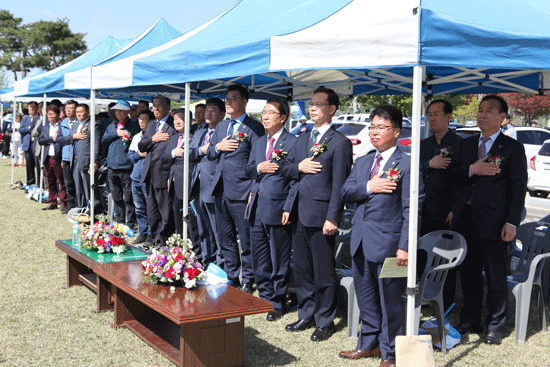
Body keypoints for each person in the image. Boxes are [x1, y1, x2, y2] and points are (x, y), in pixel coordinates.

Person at [339, 106, 423, 367]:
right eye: (372, 127)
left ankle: (390, 353)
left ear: (397, 132)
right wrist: (369, 186)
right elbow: (346, 192)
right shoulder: (364, 161)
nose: (375, 132)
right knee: (366, 298)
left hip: (389, 243)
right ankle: (368, 344)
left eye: (381, 127)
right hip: (361, 240)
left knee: (390, 303)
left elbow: (413, 209)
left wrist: (405, 246)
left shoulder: (408, 164)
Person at [448, 95, 527, 345]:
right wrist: (473, 169)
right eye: (480, 110)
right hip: (466, 219)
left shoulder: (512, 148)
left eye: (489, 111)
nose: (482, 114)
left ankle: (495, 325)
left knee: (495, 275)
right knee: (469, 273)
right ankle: (471, 319)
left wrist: (512, 222)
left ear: (503, 119)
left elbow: (517, 188)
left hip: (495, 221)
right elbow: (454, 177)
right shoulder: (467, 144)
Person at [281, 87, 353, 342]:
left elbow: (340, 185)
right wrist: (289, 205)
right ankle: (306, 312)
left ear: (332, 109)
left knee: (323, 271)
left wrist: (333, 217)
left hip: (322, 214)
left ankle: (325, 319)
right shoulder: (302, 137)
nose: (312, 108)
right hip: (300, 212)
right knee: (301, 269)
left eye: (318, 104)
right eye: (310, 104)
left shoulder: (340, 142)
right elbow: (287, 169)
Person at [206, 84, 265, 293]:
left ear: (244, 101)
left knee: (246, 239)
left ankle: (249, 278)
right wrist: (218, 147)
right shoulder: (221, 126)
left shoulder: (254, 127)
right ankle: (232, 276)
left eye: (233, 99)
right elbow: (211, 153)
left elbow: (256, 161)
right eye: (227, 99)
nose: (228, 103)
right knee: (225, 237)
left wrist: (252, 191)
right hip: (220, 189)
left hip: (241, 190)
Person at [245, 99, 297, 321]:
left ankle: (277, 301)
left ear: (283, 117)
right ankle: (264, 295)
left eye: (270, 113)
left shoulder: (293, 142)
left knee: (279, 257)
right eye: (263, 112)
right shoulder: (258, 141)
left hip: (278, 207)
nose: (265, 117)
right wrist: (259, 167)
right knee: (260, 256)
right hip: (256, 205)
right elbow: (248, 169)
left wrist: (288, 207)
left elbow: (296, 179)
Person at [419, 100, 463, 309]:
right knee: (422, 253)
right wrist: (430, 164)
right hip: (422, 208)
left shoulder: (459, 143)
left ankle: (445, 299)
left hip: (445, 210)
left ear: (449, 117)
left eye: (437, 114)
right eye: (429, 114)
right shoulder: (424, 144)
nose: (432, 118)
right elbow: (414, 170)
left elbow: (463, 180)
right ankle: (424, 295)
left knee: (444, 256)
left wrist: (455, 208)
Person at [189, 98, 225, 268]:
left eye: (213, 110)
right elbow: (188, 153)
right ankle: (206, 259)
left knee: (217, 227)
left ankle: (220, 262)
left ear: (222, 114)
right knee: (202, 226)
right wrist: (201, 150)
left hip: (215, 185)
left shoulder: (225, 132)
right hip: (198, 183)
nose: (208, 113)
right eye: (207, 110)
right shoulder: (199, 132)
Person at [138, 95, 176, 246]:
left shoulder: (173, 125)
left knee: (165, 211)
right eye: (154, 106)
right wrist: (153, 139)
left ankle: (165, 240)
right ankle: (155, 239)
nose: (156, 108)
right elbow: (141, 146)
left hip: (164, 173)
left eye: (159, 106)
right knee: (152, 211)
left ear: (168, 108)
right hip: (149, 174)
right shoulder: (151, 125)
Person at [101, 100, 140, 228]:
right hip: (112, 166)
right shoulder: (112, 125)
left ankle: (129, 223)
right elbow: (104, 140)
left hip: (126, 167)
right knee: (116, 196)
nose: (118, 113)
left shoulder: (134, 126)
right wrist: (115, 133)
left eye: (122, 111)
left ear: (128, 112)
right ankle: (119, 221)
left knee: (128, 197)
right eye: (117, 111)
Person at [65, 103, 99, 209]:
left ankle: (92, 211)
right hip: (74, 161)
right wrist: (74, 136)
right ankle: (81, 209)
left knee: (88, 187)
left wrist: (94, 160)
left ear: (88, 113)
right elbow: (67, 140)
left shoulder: (93, 125)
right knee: (78, 187)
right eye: (77, 112)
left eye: (81, 111)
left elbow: (96, 145)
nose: (79, 114)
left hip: (86, 161)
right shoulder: (75, 125)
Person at [129, 110, 154, 246]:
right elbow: (130, 156)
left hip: (148, 177)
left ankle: (151, 234)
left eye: (145, 119)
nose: (142, 122)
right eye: (140, 119)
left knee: (149, 207)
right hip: (135, 176)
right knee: (139, 207)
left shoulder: (154, 136)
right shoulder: (137, 136)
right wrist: (139, 154)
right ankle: (142, 233)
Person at [38, 105, 67, 211]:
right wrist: (51, 139)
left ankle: (64, 202)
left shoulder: (62, 126)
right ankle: (52, 201)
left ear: (58, 115)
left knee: (61, 181)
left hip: (58, 157)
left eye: (52, 114)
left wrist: (55, 139)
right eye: (48, 115)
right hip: (47, 157)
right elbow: (40, 141)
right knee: (50, 180)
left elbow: (63, 140)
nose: (50, 117)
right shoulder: (45, 127)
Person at [59, 100, 79, 213]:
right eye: (67, 108)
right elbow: (61, 140)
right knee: (68, 183)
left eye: (71, 108)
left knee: (77, 183)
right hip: (66, 157)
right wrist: (62, 158)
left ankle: (79, 205)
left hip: (76, 157)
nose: (69, 110)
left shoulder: (80, 123)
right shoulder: (63, 123)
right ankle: (70, 206)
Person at [19, 102, 40, 185]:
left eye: (33, 107)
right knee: (29, 164)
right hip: (28, 144)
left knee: (37, 164)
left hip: (37, 144)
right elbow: (21, 130)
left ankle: (39, 183)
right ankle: (30, 182)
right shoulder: (25, 118)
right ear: (28, 109)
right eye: (30, 107)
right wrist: (29, 129)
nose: (32, 109)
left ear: (37, 108)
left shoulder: (39, 118)